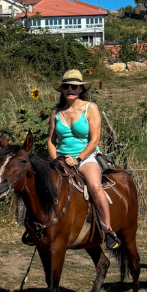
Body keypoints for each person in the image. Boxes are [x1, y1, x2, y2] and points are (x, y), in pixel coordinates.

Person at [46, 69, 120, 252]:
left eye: (74, 86)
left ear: (80, 89)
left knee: (95, 186)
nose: (70, 89)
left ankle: (108, 230)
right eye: (66, 86)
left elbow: (95, 139)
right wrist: (55, 160)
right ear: (62, 90)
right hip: (61, 158)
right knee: (40, 183)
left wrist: (78, 159)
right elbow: (51, 141)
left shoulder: (90, 108)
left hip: (86, 157)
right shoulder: (56, 112)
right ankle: (36, 228)